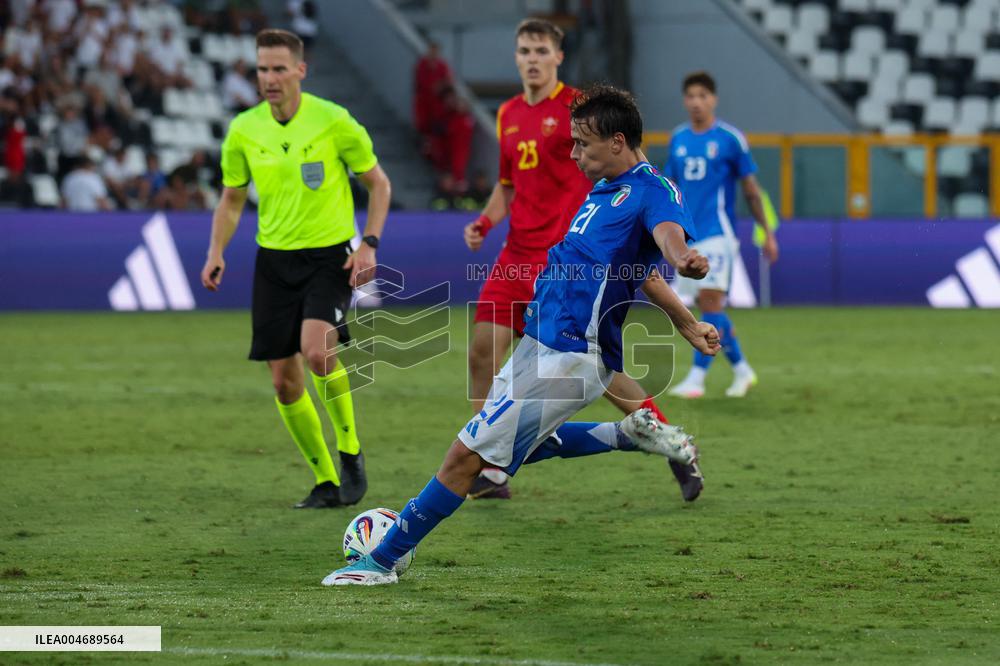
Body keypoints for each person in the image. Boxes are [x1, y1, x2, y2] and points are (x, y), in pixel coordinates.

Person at [323, 84, 719, 586]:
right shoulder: (604, 190)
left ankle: (382, 560)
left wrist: (682, 255)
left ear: (618, 142)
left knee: (466, 458)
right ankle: (627, 434)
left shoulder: (653, 192)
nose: (573, 154)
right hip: (543, 341)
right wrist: (686, 323)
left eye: (583, 144)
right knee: (520, 448)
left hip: (573, 353)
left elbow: (667, 239)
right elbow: (640, 271)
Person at [463, 18, 703, 502]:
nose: (531, 58)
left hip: (573, 256)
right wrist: (486, 222)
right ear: (515, 57)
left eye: (540, 50)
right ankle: (491, 466)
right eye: (524, 50)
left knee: (601, 374)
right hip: (517, 253)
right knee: (481, 351)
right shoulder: (508, 112)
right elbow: (507, 182)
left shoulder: (581, 112)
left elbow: (625, 164)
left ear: (557, 56)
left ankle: (670, 441)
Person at [199, 29, 392, 509]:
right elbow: (232, 198)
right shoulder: (244, 129)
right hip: (273, 262)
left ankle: (350, 451)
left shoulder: (334, 121)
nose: (269, 78)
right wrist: (216, 251)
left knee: (317, 352)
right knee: (284, 382)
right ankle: (326, 481)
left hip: (328, 257)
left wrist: (368, 244)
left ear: (300, 71)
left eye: (279, 68)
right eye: (262, 69)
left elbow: (379, 184)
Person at [663, 71, 779, 399]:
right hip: (689, 236)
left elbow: (752, 191)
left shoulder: (730, 139)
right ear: (685, 101)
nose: (696, 102)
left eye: (703, 95)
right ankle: (743, 371)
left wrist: (766, 233)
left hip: (717, 234)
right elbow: (670, 187)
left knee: (711, 304)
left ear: (713, 99)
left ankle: (697, 378)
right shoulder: (678, 138)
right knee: (708, 305)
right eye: (691, 96)